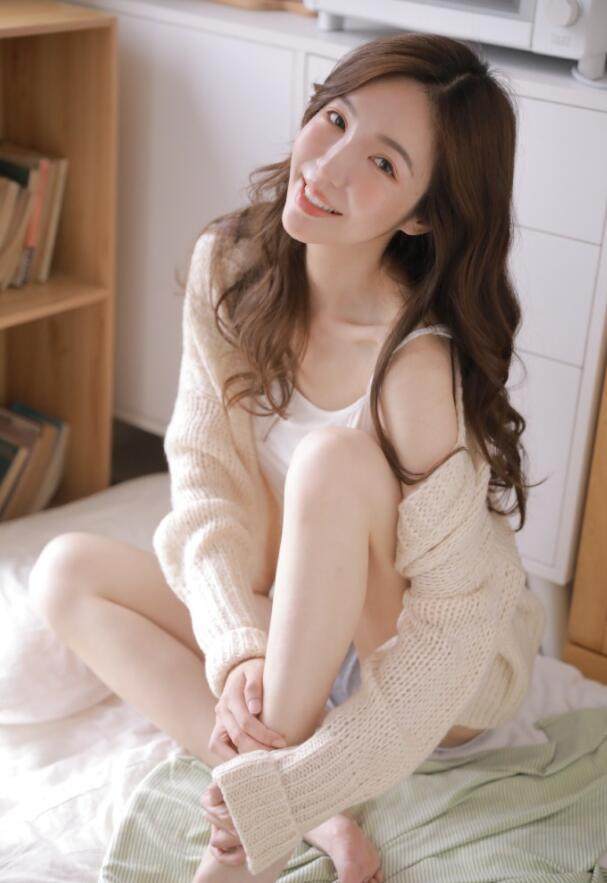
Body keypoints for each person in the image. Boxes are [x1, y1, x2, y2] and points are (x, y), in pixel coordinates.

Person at [29, 31, 546, 883]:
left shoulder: (413, 362)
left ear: (421, 213)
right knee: (65, 571)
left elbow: (450, 630)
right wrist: (236, 647)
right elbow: (205, 482)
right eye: (334, 119)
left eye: (382, 163)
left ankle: (249, 841)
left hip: (426, 667)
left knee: (331, 463)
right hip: (296, 623)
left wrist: (296, 780)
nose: (329, 166)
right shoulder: (232, 267)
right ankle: (310, 815)